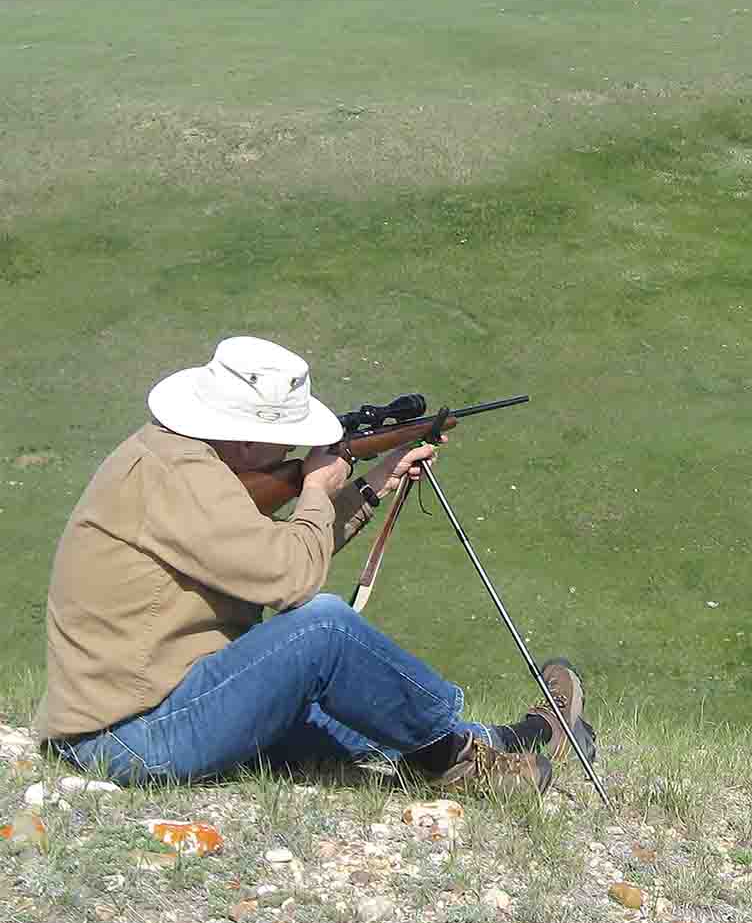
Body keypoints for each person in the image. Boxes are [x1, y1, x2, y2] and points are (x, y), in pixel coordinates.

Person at [37, 336, 596, 793]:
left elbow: (267, 557)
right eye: (285, 442)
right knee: (325, 628)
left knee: (354, 715)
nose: (289, 453)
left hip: (150, 712)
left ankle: (514, 742)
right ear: (251, 441)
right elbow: (293, 581)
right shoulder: (178, 477)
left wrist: (372, 486)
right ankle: (458, 760)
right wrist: (316, 487)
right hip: (129, 737)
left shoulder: (173, 458)